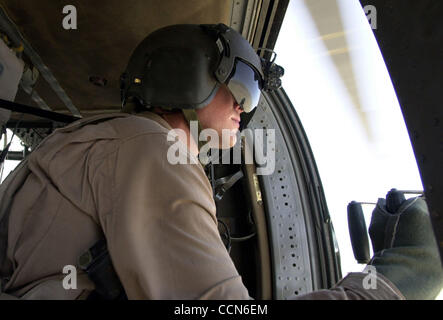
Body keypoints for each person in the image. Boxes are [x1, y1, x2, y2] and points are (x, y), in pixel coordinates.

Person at [0, 23, 441, 300]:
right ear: (188, 74)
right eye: (244, 84)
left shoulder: (113, 143)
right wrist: (400, 278)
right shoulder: (153, 151)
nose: (244, 110)